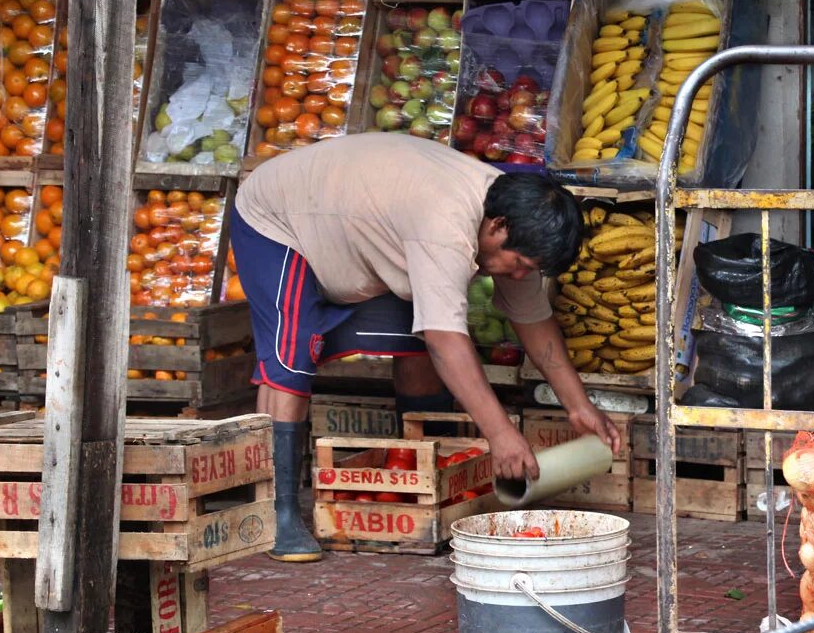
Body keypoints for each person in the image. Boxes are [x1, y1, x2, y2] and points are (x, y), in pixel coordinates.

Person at [231, 133, 622, 562]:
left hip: (353, 231)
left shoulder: (515, 221)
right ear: (497, 228)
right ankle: (278, 514)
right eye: (520, 265)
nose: (518, 275)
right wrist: (501, 435)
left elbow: (534, 322)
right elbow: (445, 339)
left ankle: (430, 489)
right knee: (293, 355)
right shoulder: (446, 224)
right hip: (281, 220)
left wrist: (578, 405)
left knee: (415, 350)